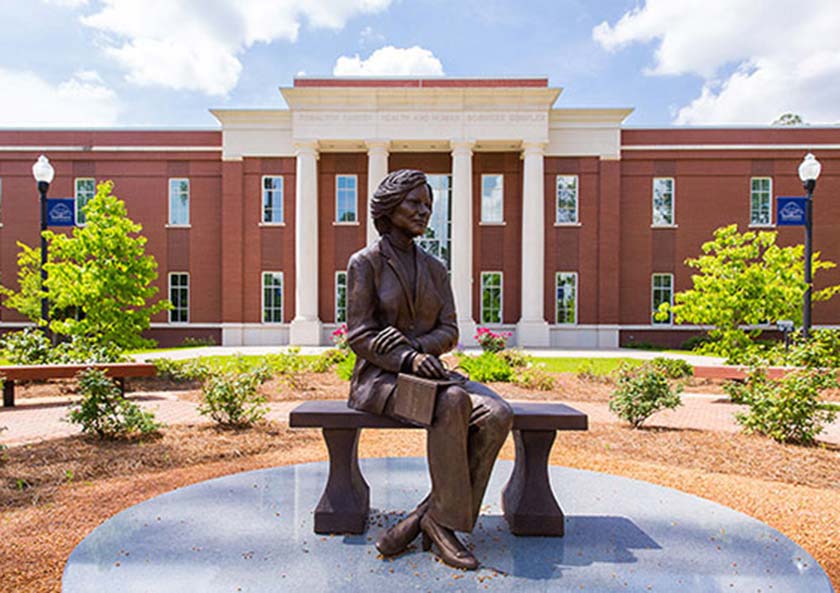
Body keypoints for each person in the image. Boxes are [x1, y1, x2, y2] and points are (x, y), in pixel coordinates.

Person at [345, 169, 513, 570]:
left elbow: (450, 330)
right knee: (453, 401)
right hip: (380, 379)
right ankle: (445, 528)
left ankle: (428, 518)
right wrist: (404, 359)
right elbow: (360, 334)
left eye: (429, 206)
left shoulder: (436, 268)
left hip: (429, 374)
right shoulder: (365, 263)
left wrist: (416, 349)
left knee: (498, 414)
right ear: (390, 207)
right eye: (415, 203)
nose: (424, 212)